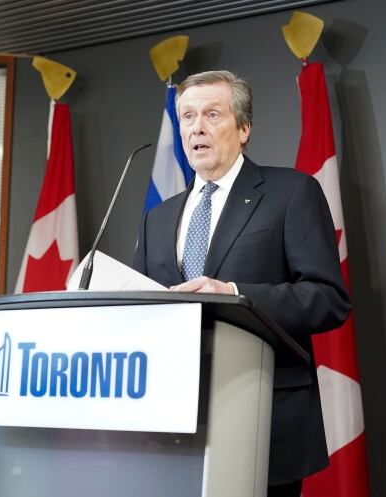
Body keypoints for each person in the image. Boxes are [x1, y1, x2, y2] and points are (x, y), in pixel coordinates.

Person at [133, 70, 350, 496]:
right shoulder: (158, 218)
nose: (196, 127)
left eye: (212, 114)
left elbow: (328, 299)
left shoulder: (291, 193)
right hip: (174, 423)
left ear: (244, 128)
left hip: (261, 415)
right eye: (187, 117)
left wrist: (234, 295)